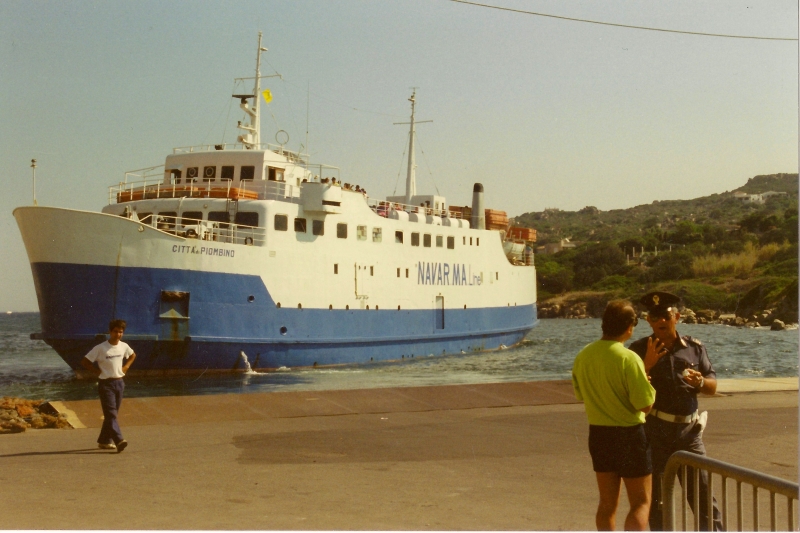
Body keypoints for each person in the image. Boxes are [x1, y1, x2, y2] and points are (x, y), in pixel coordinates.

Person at [628, 291, 723, 531]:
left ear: (677, 317)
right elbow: (630, 391)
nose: (661, 321)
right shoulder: (638, 349)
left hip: (689, 434)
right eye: (655, 316)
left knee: (703, 499)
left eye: (666, 316)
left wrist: (700, 382)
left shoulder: (694, 348)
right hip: (655, 434)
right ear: (648, 320)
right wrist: (646, 365)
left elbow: (712, 386)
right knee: (658, 504)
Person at [572, 300, 656, 531]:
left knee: (607, 504)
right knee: (640, 502)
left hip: (599, 434)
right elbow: (645, 405)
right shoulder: (628, 358)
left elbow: (581, 394)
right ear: (629, 326)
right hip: (629, 435)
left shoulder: (584, 356)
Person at [80, 319, 136, 453]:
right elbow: (85, 361)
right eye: (115, 332)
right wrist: (97, 372)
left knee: (112, 414)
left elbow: (133, 355)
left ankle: (104, 441)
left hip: (119, 383)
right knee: (111, 414)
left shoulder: (124, 346)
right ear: (110, 332)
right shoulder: (100, 348)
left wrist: (126, 366)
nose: (118, 335)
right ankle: (119, 440)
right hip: (106, 384)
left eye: (121, 332)